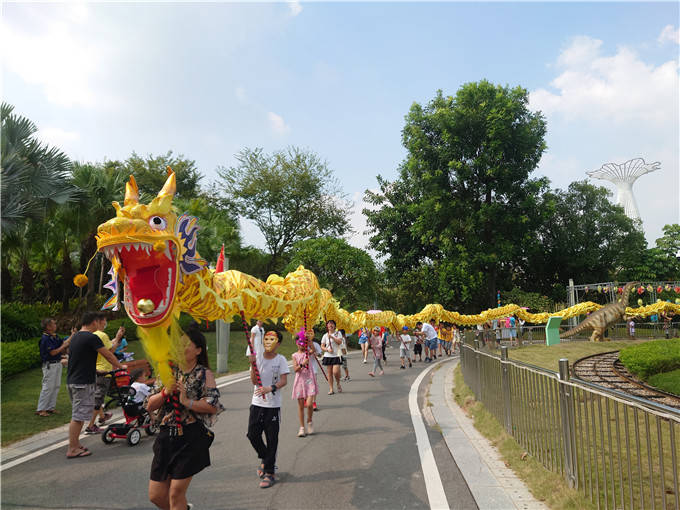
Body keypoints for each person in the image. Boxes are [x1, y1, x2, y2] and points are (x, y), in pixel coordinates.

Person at [147, 323, 223, 510]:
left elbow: (212, 406)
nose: (180, 349)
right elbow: (149, 405)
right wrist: (165, 392)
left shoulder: (204, 374)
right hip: (166, 437)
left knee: (176, 493)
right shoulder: (168, 371)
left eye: (185, 345)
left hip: (189, 438)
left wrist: (186, 401)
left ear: (198, 350)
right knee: (156, 496)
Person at [66, 311, 126, 459]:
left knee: (78, 415)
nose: (101, 325)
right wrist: (120, 366)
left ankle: (76, 444)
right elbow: (108, 354)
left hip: (73, 381)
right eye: (100, 322)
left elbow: (79, 360)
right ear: (94, 322)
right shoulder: (91, 337)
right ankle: (72, 448)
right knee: (78, 417)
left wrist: (96, 370)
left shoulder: (76, 337)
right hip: (82, 383)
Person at [246, 330, 289, 489]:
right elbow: (254, 381)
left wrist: (270, 388)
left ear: (278, 343)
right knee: (252, 435)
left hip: (272, 405)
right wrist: (252, 364)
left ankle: (270, 472)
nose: (268, 342)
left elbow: (284, 381)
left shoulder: (281, 360)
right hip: (257, 403)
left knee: (272, 439)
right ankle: (266, 458)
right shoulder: (256, 358)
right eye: (266, 339)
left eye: (272, 339)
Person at [85, 317, 125, 434]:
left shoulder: (92, 335)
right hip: (103, 371)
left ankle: (102, 416)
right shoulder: (102, 335)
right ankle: (91, 426)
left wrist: (116, 338)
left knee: (97, 395)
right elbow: (110, 351)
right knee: (98, 398)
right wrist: (118, 338)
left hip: (94, 370)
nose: (106, 323)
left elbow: (108, 345)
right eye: (105, 320)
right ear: (99, 321)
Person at [36, 318, 75, 416]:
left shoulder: (55, 337)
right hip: (50, 364)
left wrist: (72, 335)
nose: (55, 325)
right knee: (48, 386)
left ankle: (50, 407)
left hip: (57, 363)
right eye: (53, 324)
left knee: (56, 386)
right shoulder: (45, 339)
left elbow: (63, 344)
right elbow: (53, 352)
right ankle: (41, 409)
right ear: (48, 326)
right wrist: (63, 347)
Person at [291, 331, 318, 437]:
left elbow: (314, 349)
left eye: (303, 342)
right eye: (299, 342)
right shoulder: (294, 355)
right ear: (296, 343)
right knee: (301, 406)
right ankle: (302, 427)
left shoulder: (308, 352)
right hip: (300, 381)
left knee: (310, 404)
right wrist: (303, 364)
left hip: (310, 380)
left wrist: (309, 339)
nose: (301, 344)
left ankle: (309, 421)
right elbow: (295, 369)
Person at [321, 320, 343, 394]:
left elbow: (339, 342)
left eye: (332, 324)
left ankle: (338, 383)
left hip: (336, 355)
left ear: (335, 326)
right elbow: (322, 346)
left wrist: (332, 337)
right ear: (327, 326)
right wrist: (327, 349)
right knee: (329, 373)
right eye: (329, 324)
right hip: (328, 356)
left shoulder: (338, 333)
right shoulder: (325, 335)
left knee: (335, 372)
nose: (330, 325)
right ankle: (331, 389)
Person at [306, 329, 322, 411]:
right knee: (305, 385)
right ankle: (306, 399)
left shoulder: (315, 344)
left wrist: (317, 354)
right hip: (304, 368)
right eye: (307, 333)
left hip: (313, 368)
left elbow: (320, 354)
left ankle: (313, 402)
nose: (309, 335)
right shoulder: (302, 344)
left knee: (313, 386)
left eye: (311, 333)